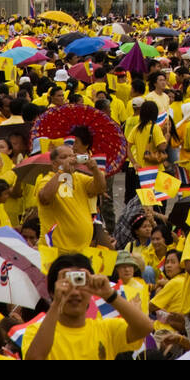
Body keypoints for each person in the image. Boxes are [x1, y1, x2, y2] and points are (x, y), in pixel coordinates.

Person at [24, 253, 155, 359]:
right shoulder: (35, 332)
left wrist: (110, 295)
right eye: (66, 285)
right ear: (53, 291)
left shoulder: (106, 329)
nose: (75, 292)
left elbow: (145, 327)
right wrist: (57, 303)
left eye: (81, 283)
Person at [36, 144, 106, 256]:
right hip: (56, 251)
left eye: (72, 156)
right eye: (64, 157)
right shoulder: (45, 180)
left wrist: (95, 169)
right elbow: (45, 198)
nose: (69, 160)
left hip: (82, 250)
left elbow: (101, 188)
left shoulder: (79, 178)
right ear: (54, 164)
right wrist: (62, 172)